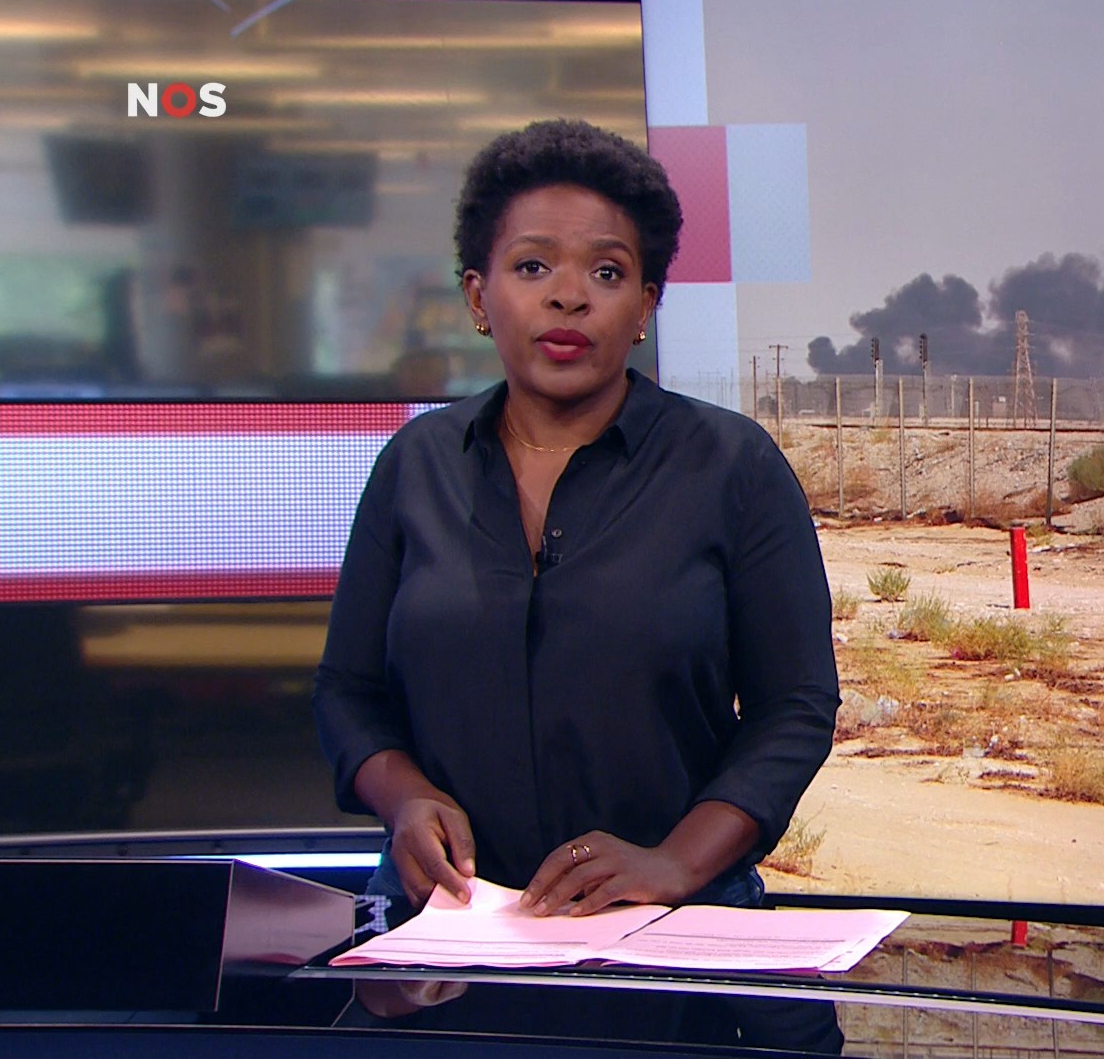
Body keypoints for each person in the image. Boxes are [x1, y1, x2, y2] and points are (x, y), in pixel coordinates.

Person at [314, 118, 840, 939]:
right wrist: (404, 797)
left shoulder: (731, 466)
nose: (569, 296)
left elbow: (795, 705)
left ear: (645, 306)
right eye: (532, 266)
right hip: (448, 925)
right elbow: (347, 692)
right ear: (478, 297)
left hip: (671, 926)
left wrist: (676, 862)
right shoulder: (415, 465)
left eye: (607, 271)